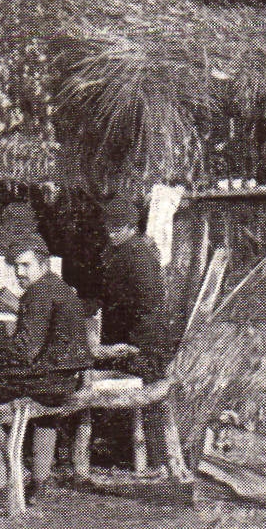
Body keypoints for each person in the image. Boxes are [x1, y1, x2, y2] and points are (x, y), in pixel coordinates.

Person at [0, 235, 93, 506]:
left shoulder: (38, 294)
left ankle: (2, 485)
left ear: (43, 264)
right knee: (44, 416)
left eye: (25, 265)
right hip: (64, 380)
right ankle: (39, 482)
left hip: (47, 381)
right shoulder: (60, 288)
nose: (19, 273)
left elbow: (25, 349)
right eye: (16, 266)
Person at [94, 195, 176, 461]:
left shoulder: (138, 255)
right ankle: (122, 449)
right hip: (131, 336)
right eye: (109, 228)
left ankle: (150, 455)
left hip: (144, 342)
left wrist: (132, 345)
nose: (112, 233)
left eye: (119, 229)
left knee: (142, 393)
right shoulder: (119, 252)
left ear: (132, 227)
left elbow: (148, 303)